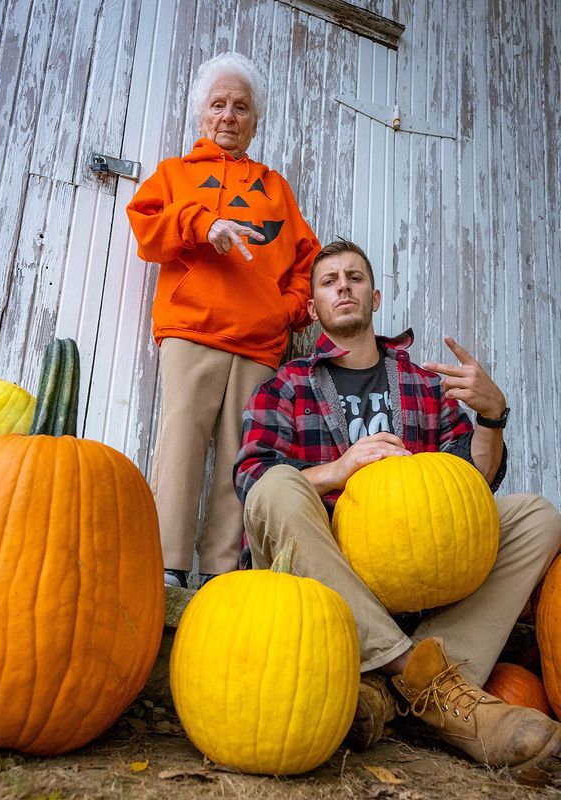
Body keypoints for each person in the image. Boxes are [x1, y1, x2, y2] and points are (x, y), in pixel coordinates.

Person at [234, 238, 561, 771]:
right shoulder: (285, 387)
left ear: (375, 297)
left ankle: (391, 694)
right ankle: (430, 681)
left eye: (355, 278)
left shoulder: (422, 383)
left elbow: (472, 485)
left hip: (413, 561)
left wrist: (493, 417)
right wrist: (339, 470)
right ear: (313, 308)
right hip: (329, 563)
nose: (343, 286)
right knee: (276, 487)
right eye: (329, 280)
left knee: (536, 516)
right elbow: (251, 480)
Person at [127, 52, 319, 589]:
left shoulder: (274, 187)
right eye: (219, 105)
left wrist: (287, 310)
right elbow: (146, 229)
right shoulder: (174, 175)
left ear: (255, 121)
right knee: (182, 440)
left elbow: (307, 259)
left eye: (241, 107)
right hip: (193, 330)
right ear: (201, 115)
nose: (229, 115)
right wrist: (202, 225)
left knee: (241, 451)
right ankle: (168, 564)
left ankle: (219, 572)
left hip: (259, 343)